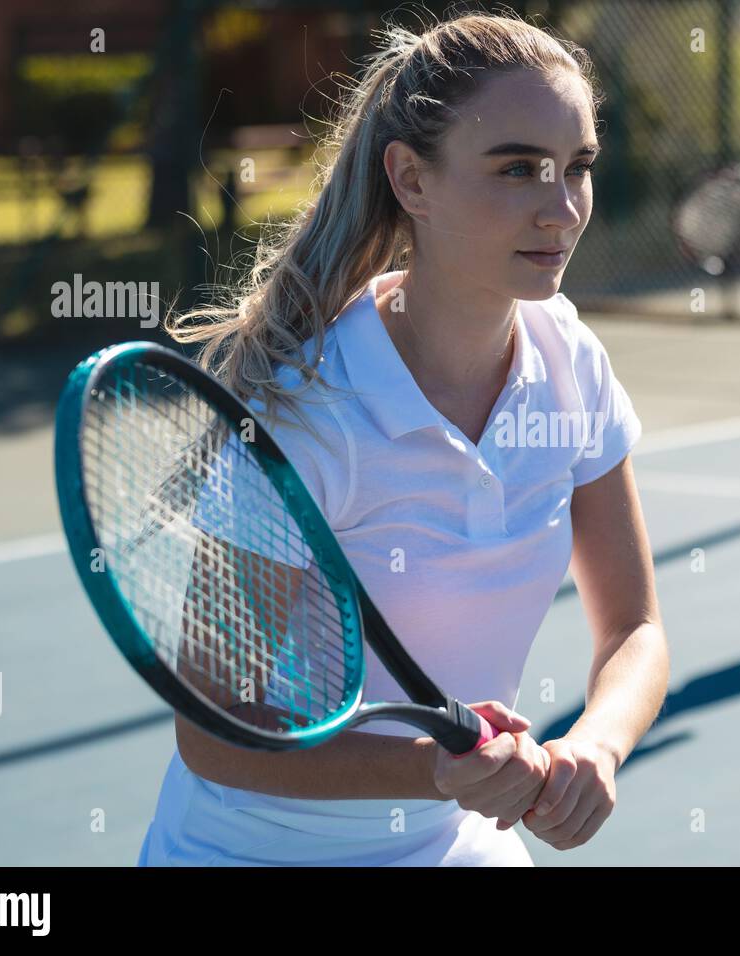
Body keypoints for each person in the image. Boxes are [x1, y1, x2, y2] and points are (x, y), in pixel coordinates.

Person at [138, 12, 669, 866]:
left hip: (451, 840)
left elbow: (635, 628)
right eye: (519, 169)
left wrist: (596, 746)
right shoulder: (307, 412)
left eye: (578, 168)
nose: (563, 207)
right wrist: (437, 769)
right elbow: (216, 735)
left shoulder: (574, 362)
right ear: (412, 180)